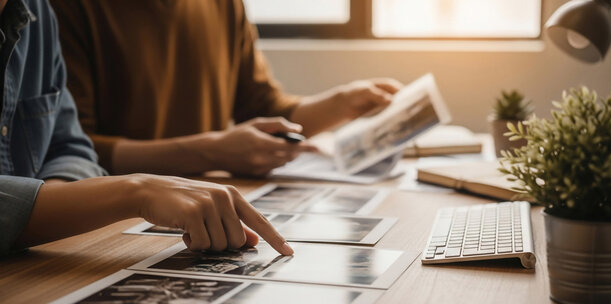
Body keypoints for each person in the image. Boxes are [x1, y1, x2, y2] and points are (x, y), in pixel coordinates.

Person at [0, 0, 292, 257]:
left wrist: (58, 210)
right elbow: (91, 145)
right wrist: (133, 192)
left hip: (48, 255)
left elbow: (70, 146)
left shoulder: (37, 10)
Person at [50, 0, 402, 176]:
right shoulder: (65, 8)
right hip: (115, 222)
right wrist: (211, 152)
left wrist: (345, 103)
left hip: (205, 209)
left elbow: (262, 107)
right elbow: (72, 150)